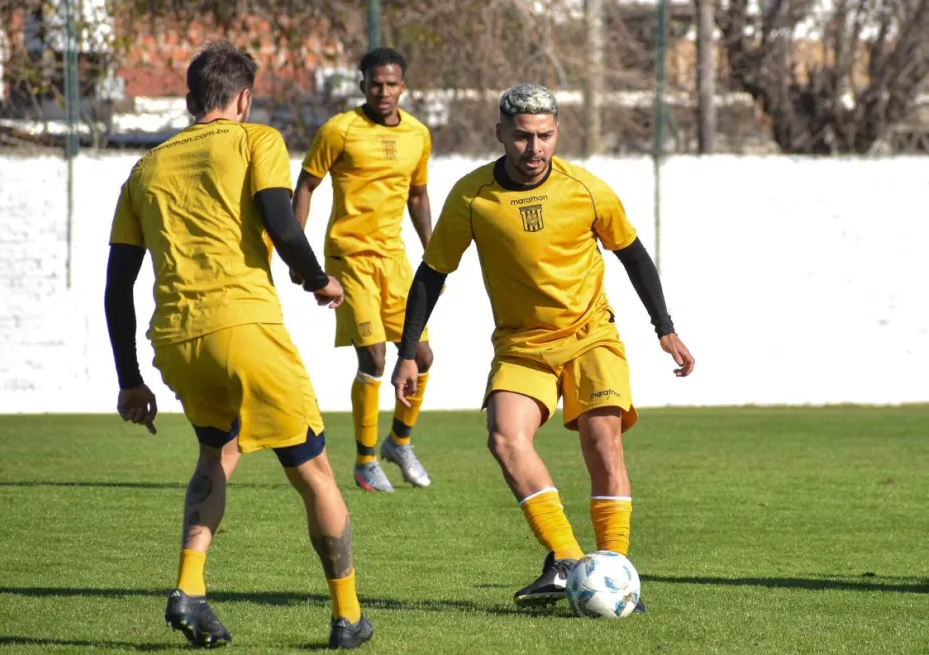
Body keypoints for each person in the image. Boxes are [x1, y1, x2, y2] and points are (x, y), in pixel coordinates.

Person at [104, 42, 373, 649]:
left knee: (215, 455)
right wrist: (319, 280)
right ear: (244, 99)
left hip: (177, 340)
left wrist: (129, 380)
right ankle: (348, 616)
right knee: (315, 472)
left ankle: (190, 590)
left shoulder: (144, 169)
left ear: (189, 99)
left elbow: (117, 287)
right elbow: (282, 222)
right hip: (244, 329)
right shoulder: (256, 140)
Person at [390, 83, 695, 610]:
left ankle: (616, 570)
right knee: (505, 438)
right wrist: (406, 350)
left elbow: (633, 255)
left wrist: (664, 327)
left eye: (545, 136)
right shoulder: (471, 196)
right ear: (500, 134)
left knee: (603, 442)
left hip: (590, 336)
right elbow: (432, 272)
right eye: (523, 137)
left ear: (557, 133)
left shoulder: (586, 189)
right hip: (521, 346)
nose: (534, 149)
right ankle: (568, 560)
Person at [292, 47, 434, 493]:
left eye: (391, 84)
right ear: (362, 85)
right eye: (376, 84)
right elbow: (306, 184)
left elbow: (417, 195)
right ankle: (366, 460)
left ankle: (399, 443)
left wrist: (435, 256)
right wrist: (297, 252)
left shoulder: (418, 134)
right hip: (349, 258)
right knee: (374, 356)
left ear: (403, 86)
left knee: (422, 357)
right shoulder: (340, 130)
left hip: (394, 260)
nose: (383, 92)